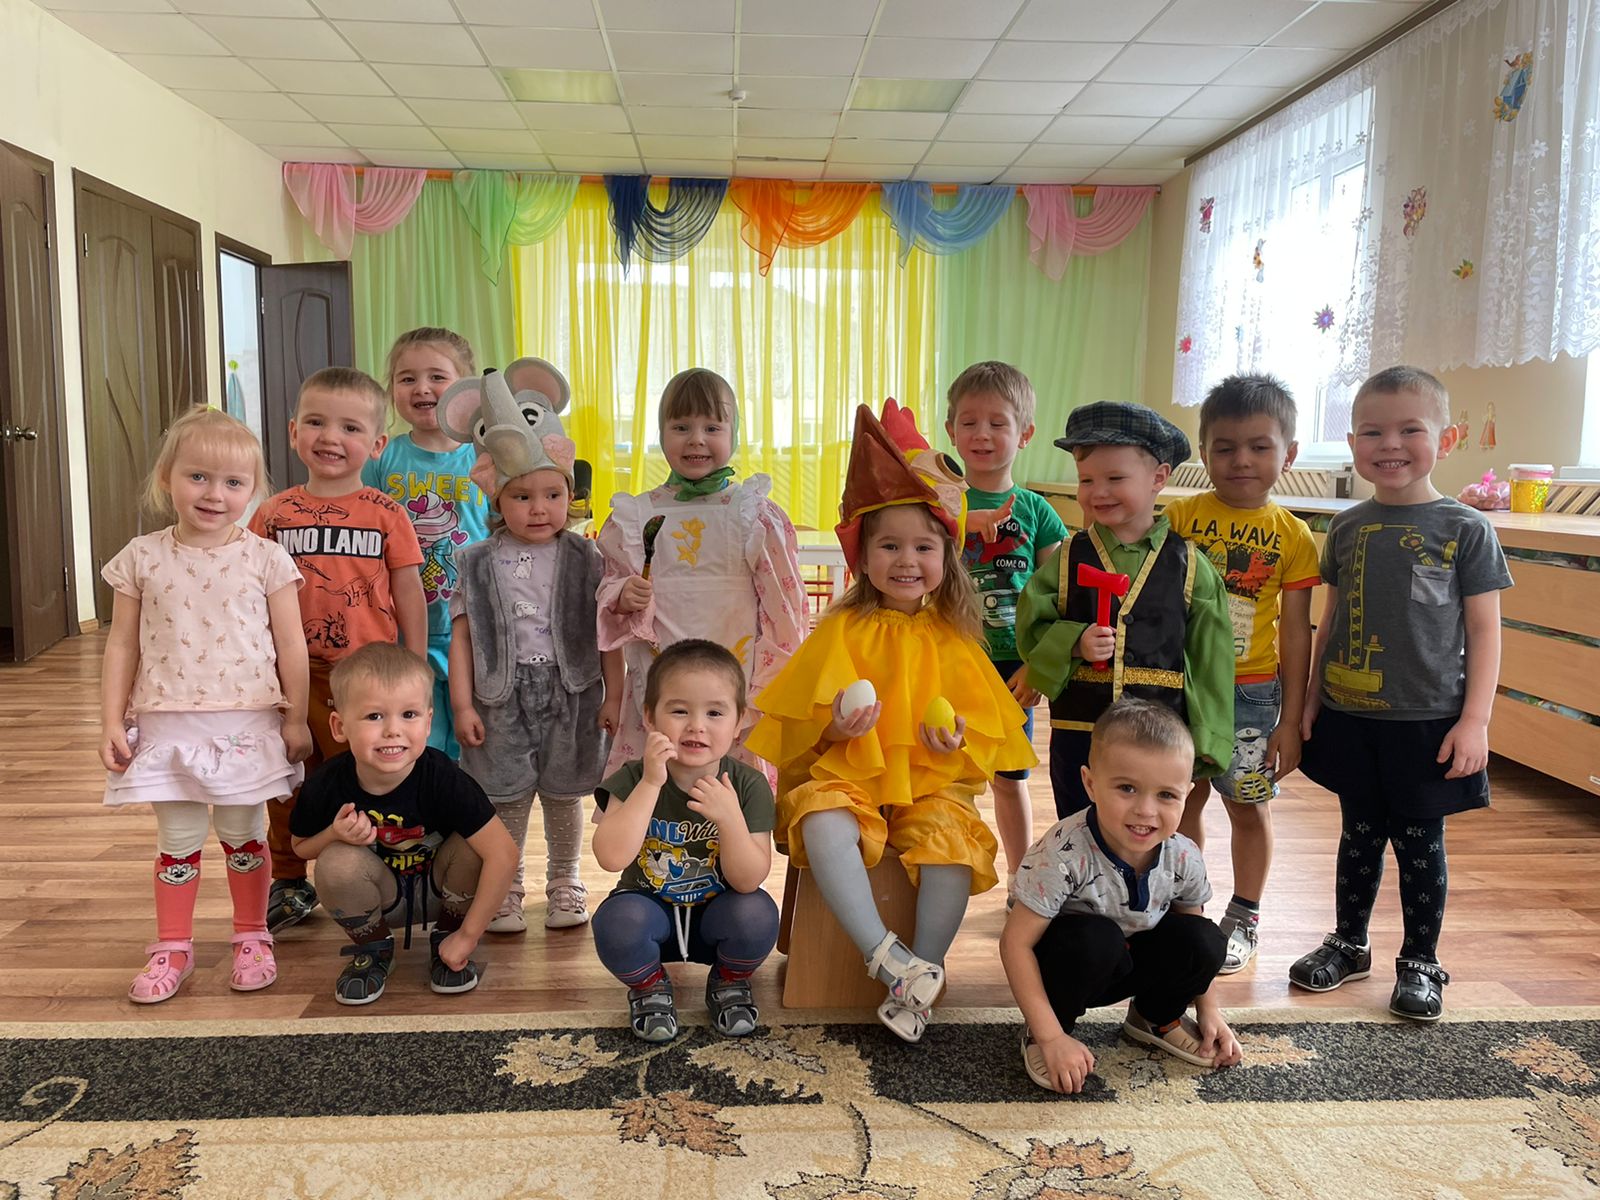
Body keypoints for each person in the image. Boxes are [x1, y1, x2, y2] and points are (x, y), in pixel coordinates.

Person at [746, 401, 1036, 1043]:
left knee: (952, 848)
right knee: (821, 820)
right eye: (889, 546)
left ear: (946, 556)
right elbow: (803, 728)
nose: (907, 560)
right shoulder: (842, 629)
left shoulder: (954, 635)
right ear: (864, 556)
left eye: (923, 547)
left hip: (930, 787)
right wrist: (836, 731)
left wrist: (954, 738)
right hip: (848, 779)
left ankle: (922, 974)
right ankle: (886, 956)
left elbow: (979, 728)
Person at [1291, 366, 1511, 1022]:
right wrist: (1311, 697)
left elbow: (1484, 630)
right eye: (1372, 432)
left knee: (1419, 840)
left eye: (1410, 429)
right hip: (1350, 714)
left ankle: (1420, 959)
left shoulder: (1466, 529)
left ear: (1445, 439)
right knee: (1358, 832)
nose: (1390, 444)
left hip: (1428, 720)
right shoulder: (1346, 527)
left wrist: (1476, 720)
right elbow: (1331, 619)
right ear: (1352, 443)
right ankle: (1349, 942)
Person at [99, 407, 309, 1004]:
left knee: (244, 833)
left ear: (253, 489)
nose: (215, 494)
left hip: (246, 722)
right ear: (167, 477)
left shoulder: (267, 558)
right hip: (168, 723)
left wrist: (296, 716)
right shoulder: (141, 556)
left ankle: (252, 935)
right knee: (178, 838)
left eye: (233, 482)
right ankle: (173, 946)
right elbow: (121, 644)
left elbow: (291, 643)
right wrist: (111, 719)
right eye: (198, 477)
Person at [249, 366, 426, 933]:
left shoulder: (386, 512)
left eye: (350, 427)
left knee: (366, 775)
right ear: (294, 431)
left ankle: (375, 868)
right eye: (317, 423)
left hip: (366, 678)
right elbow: (247, 591)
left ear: (376, 444)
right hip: (288, 676)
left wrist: (415, 665)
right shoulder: (272, 514)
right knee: (287, 779)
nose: (331, 437)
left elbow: (409, 592)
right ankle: (287, 878)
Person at [448, 367, 622, 933]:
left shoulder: (588, 558)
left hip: (573, 692)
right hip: (499, 695)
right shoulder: (475, 561)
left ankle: (566, 880)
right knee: (507, 797)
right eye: (522, 496)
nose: (539, 507)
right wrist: (463, 705)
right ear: (499, 500)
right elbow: (463, 637)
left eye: (553, 494)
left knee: (565, 794)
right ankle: (507, 885)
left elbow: (608, 633)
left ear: (571, 495)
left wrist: (614, 695)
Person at [1000, 700, 1242, 1093]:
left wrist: (1209, 1010)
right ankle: (1050, 1029)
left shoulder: (1183, 855)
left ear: (1187, 794)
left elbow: (1194, 932)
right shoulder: (1060, 854)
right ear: (1090, 784)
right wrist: (1050, 1036)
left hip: (1134, 962)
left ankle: (1156, 1017)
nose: (1146, 810)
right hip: (1075, 965)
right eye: (1127, 788)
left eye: (1166, 795)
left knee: (1205, 939)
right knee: (1095, 940)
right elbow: (1015, 944)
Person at [1163, 375, 1320, 974]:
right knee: (1183, 800)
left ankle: (1245, 914)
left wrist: (1291, 721)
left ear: (1290, 453)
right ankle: (1186, 910)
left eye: (1259, 446)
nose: (1241, 461)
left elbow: (1297, 633)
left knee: (1248, 805)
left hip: (1251, 695)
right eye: (1225, 447)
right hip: (1181, 686)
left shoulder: (1293, 536)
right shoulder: (1179, 518)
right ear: (1204, 453)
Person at [1016, 401, 1234, 819]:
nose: (1098, 491)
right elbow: (1031, 625)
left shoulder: (1191, 566)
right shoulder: (1066, 558)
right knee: (1077, 826)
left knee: (1146, 828)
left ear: (1159, 478)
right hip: (1081, 732)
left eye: (1115, 478)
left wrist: (1207, 739)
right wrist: (1072, 642)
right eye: (1086, 479)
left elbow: (1211, 659)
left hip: (1159, 738)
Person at [596, 367, 808, 784]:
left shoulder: (754, 514)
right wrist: (623, 594)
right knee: (654, 789)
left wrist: (771, 688)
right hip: (660, 685)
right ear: (661, 433)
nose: (696, 439)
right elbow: (609, 592)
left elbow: (784, 610)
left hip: (735, 687)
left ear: (734, 433)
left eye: (712, 427)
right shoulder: (636, 517)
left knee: (733, 792)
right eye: (681, 427)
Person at [289, 644, 519, 1005]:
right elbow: (300, 847)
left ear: (428, 722)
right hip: (380, 896)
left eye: (408, 714)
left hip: (443, 893)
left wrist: (469, 936)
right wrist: (334, 834)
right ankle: (374, 948)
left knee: (476, 846)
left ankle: (449, 935)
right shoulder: (326, 783)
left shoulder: (445, 777)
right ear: (339, 726)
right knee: (335, 861)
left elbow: (504, 855)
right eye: (374, 716)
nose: (393, 730)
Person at [591, 640, 778, 1043]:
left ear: (739, 721)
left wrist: (729, 818)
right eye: (679, 711)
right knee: (614, 923)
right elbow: (610, 857)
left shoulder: (749, 785)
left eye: (715, 713)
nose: (696, 725)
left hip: (719, 917)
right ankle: (649, 987)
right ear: (649, 717)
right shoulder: (633, 777)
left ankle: (729, 981)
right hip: (650, 912)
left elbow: (749, 879)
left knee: (758, 914)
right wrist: (650, 784)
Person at [944, 361, 1068, 889]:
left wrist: (1040, 665)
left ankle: (1022, 878)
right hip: (952, 661)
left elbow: (1061, 597)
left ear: (1026, 433)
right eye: (969, 422)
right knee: (948, 775)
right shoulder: (940, 507)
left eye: (998, 423)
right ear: (951, 431)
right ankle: (946, 870)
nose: (982, 434)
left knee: (1009, 777)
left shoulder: (1038, 511)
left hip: (1014, 667)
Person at [364, 328, 490, 759]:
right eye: (407, 378)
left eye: (437, 376)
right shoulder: (383, 458)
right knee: (417, 738)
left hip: (472, 626)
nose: (421, 388)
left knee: (474, 741)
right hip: (404, 628)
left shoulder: (484, 456)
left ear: (465, 388)